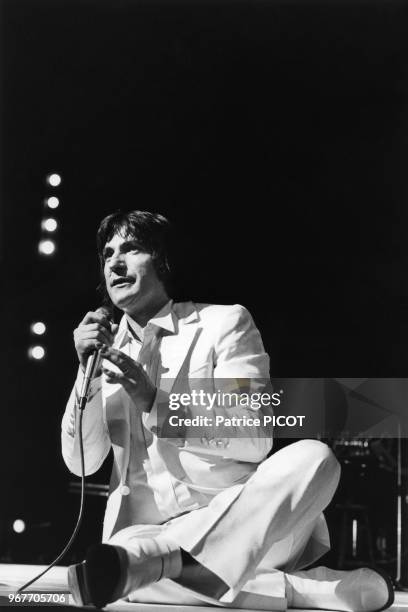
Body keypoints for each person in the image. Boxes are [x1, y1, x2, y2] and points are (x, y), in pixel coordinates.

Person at [61, 210, 394, 611]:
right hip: (139, 535)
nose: (115, 262)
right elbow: (81, 462)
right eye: (108, 253)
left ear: (163, 260)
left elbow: (254, 436)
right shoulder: (106, 354)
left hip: (253, 522)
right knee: (124, 563)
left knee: (315, 458)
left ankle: (162, 564)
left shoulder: (224, 323)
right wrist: (87, 372)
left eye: (131, 249)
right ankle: (301, 590)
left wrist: (156, 403)